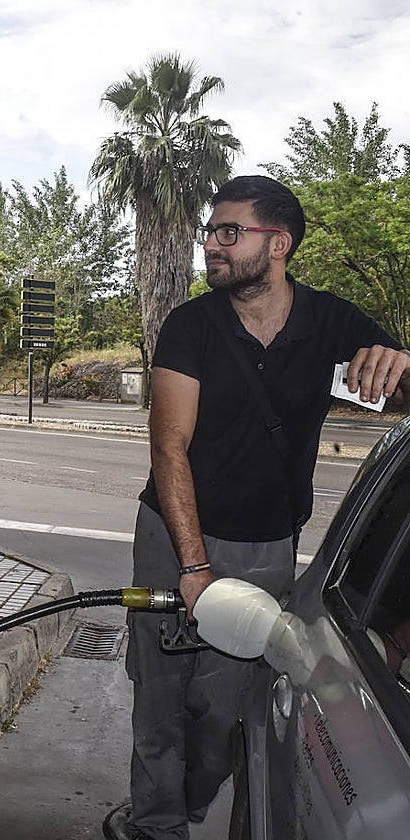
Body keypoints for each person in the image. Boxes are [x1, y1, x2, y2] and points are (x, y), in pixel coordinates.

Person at [103, 175, 410, 840]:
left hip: (267, 547)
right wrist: (193, 568)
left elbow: (398, 387)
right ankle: (156, 826)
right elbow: (169, 447)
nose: (210, 244)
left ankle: (187, 798)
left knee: (223, 710)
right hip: (171, 534)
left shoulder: (333, 323)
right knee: (159, 697)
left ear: (279, 244)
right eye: (211, 231)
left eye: (228, 231)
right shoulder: (192, 324)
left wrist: (400, 363)